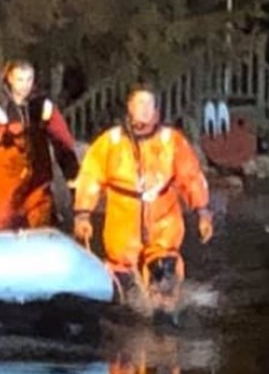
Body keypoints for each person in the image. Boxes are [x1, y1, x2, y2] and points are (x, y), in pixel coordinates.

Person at [72, 84, 213, 305]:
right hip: (123, 222)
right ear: (130, 107)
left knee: (165, 269)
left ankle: (166, 308)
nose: (145, 109)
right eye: (140, 103)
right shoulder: (111, 142)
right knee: (124, 282)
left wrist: (203, 212)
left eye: (149, 104)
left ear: (156, 109)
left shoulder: (172, 141)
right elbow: (90, 177)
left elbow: (191, 177)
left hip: (163, 221)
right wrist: (83, 214)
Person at [0, 59, 79, 230]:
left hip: (38, 190)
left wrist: (74, 178)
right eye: (20, 79)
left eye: (29, 79)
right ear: (10, 79)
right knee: (1, 239)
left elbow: (63, 143)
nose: (25, 85)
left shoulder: (44, 108)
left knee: (41, 237)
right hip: (6, 194)